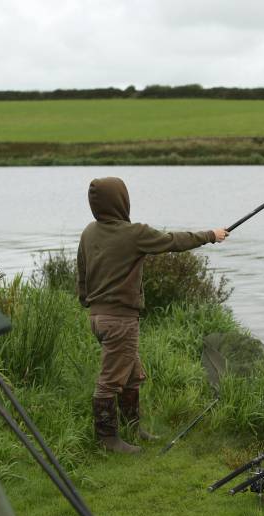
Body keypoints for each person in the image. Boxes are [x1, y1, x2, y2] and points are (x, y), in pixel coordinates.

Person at [77, 177, 228, 453]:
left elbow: (82, 271)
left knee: (132, 375)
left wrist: (87, 302)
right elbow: (173, 241)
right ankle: (108, 440)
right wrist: (210, 235)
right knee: (110, 380)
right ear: (121, 200)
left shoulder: (89, 232)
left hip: (97, 319)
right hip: (120, 321)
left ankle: (133, 428)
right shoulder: (133, 233)